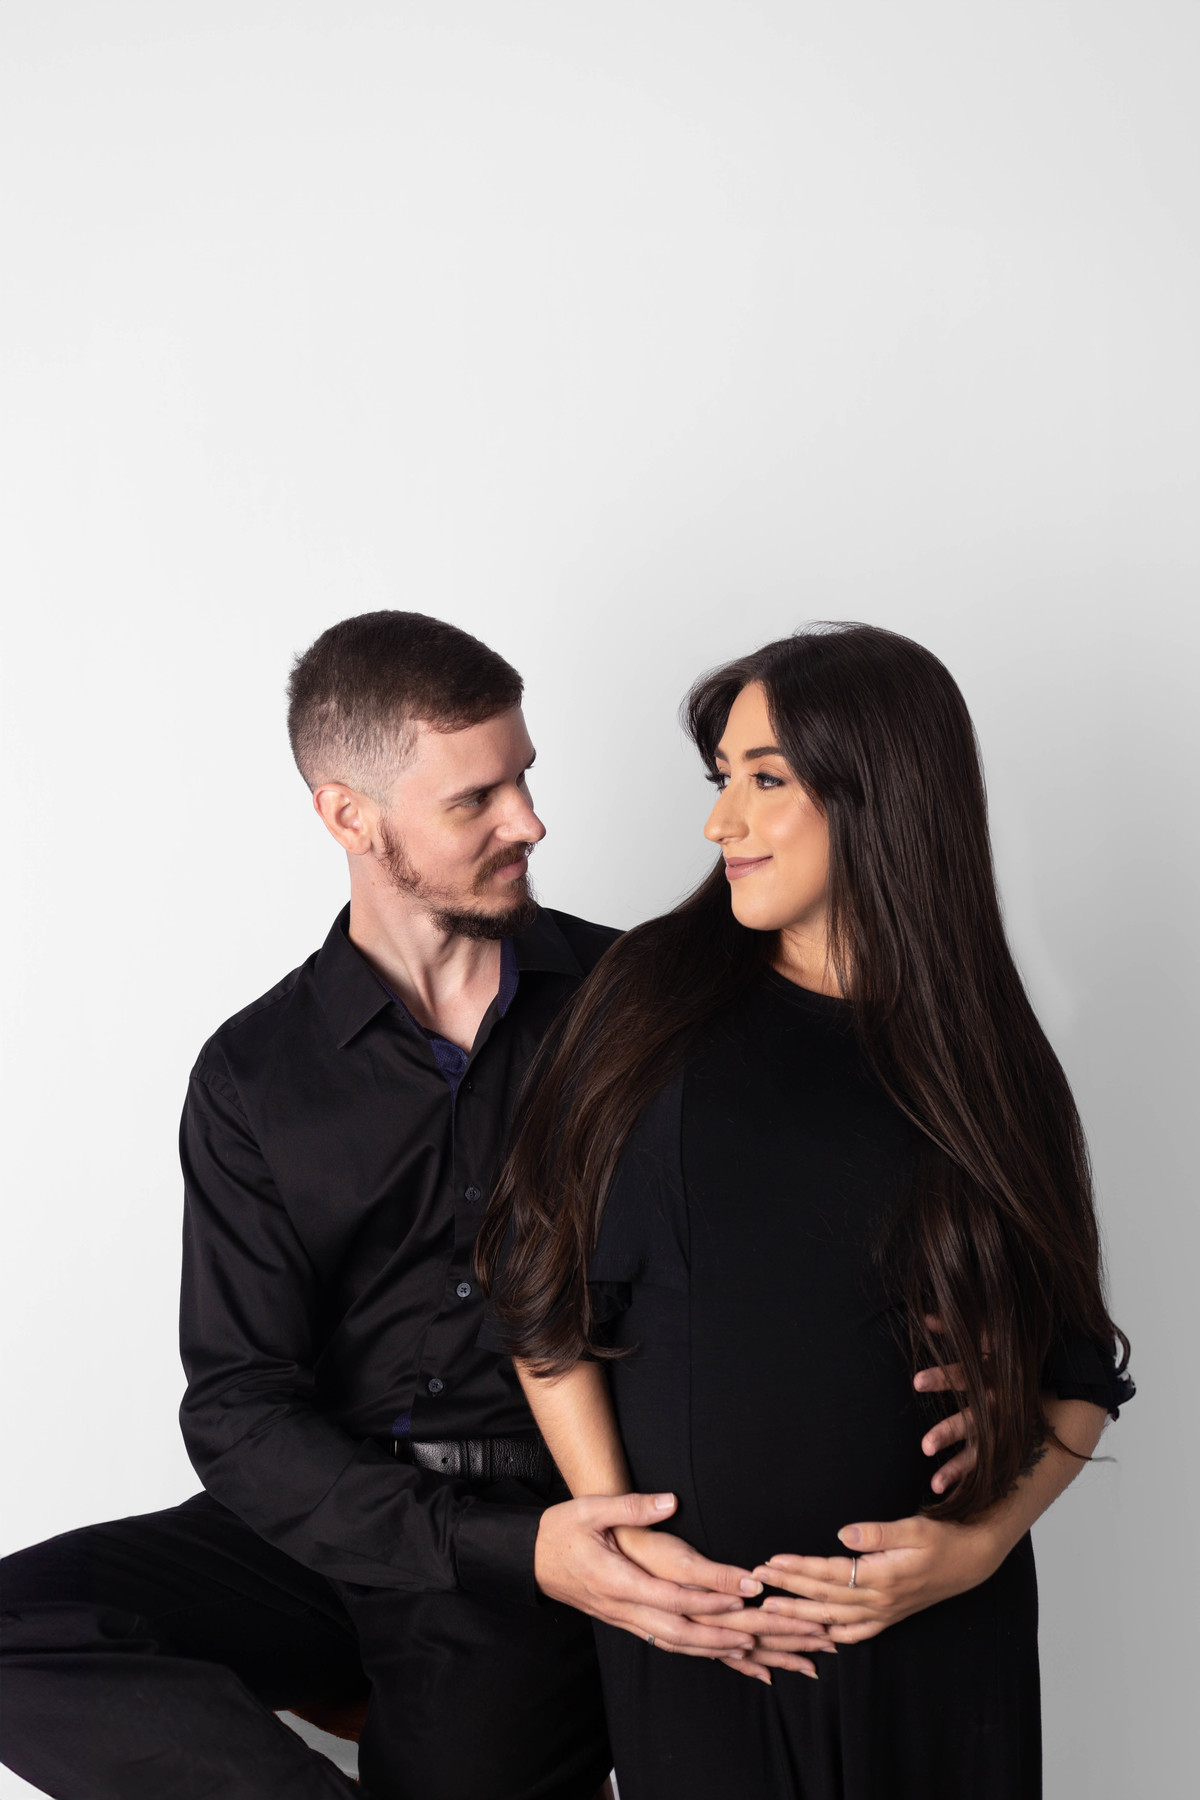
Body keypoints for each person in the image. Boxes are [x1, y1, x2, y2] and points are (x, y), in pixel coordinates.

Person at [0, 612, 754, 1800]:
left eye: (524, 778)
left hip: (542, 1542)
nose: (529, 822)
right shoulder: (253, 1070)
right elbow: (239, 1403)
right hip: (324, 1520)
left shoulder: (640, 1004)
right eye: (476, 799)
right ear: (350, 816)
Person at [479, 622, 1135, 1800]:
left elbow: (1080, 1375)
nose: (720, 823)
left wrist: (978, 1547)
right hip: (712, 1641)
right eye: (721, 780)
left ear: (882, 792)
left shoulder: (989, 1061)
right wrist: (624, 1539)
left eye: (766, 780)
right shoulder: (649, 1005)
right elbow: (543, 1297)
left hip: (943, 1651)